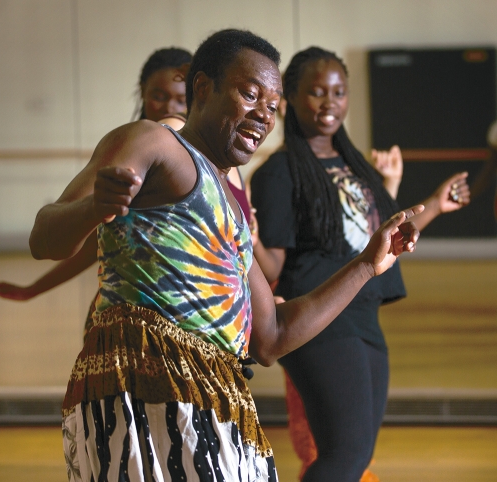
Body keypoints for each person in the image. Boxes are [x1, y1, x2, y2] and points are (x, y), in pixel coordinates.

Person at [27, 31, 421, 482]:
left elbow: (271, 338)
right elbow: (44, 238)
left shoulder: (233, 211)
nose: (263, 114)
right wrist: (93, 208)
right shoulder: (154, 143)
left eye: (272, 106)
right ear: (202, 88)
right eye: (249, 94)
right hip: (145, 390)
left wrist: (368, 265)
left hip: (216, 403)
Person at [250, 46, 469, 482]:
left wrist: (435, 206)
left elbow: (383, 235)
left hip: (364, 315)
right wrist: (248, 236)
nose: (329, 102)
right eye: (316, 92)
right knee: (343, 456)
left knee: (355, 457)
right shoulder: (280, 172)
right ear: (291, 97)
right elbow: (274, 261)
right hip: (321, 316)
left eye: (338, 91)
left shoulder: (355, 165)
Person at [0, 47, 192, 305]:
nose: (169, 107)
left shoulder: (209, 159)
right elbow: (90, 242)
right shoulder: (123, 152)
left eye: (180, 100)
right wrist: (34, 289)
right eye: (159, 95)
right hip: (134, 321)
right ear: (143, 91)